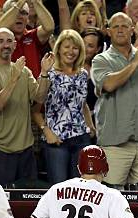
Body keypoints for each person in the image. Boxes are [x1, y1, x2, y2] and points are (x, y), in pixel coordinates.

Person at [91, 13, 138, 188]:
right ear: (108, 32)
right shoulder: (101, 59)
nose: (120, 30)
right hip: (115, 143)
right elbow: (109, 84)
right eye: (116, 26)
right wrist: (135, 62)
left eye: (125, 26)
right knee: (111, 196)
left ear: (132, 30)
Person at [0, 28, 54, 187]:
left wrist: (44, 73)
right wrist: (14, 77)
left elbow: (39, 98)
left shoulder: (25, 71)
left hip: (25, 150)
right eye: (0, 41)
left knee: (27, 202)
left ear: (14, 45)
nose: (5, 45)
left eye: (9, 41)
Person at [32, 29, 95, 184]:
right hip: (56, 140)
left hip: (81, 139)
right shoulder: (49, 74)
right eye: (66, 47)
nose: (71, 51)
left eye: (75, 48)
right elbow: (36, 110)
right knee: (59, 188)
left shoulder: (83, 74)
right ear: (58, 48)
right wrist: (47, 132)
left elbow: (82, 103)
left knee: (81, 188)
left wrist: (90, 125)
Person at [0, 0, 54, 77]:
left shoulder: (33, 35)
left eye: (23, 13)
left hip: (35, 87)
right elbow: (0, 28)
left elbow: (49, 27)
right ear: (5, 17)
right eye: (15, 13)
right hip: (10, 87)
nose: (19, 17)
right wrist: (21, 2)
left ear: (28, 19)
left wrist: (35, 1)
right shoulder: (0, 39)